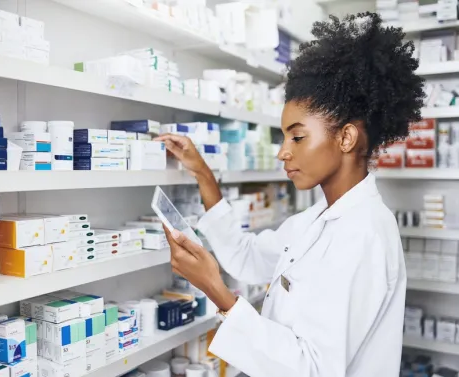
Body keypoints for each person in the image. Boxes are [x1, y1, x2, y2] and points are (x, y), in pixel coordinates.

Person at [156, 13, 424, 377]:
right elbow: (247, 257)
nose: (283, 151)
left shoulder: (365, 235)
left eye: (297, 137)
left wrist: (217, 292)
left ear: (346, 138)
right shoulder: (316, 220)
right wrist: (201, 172)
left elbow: (314, 369)